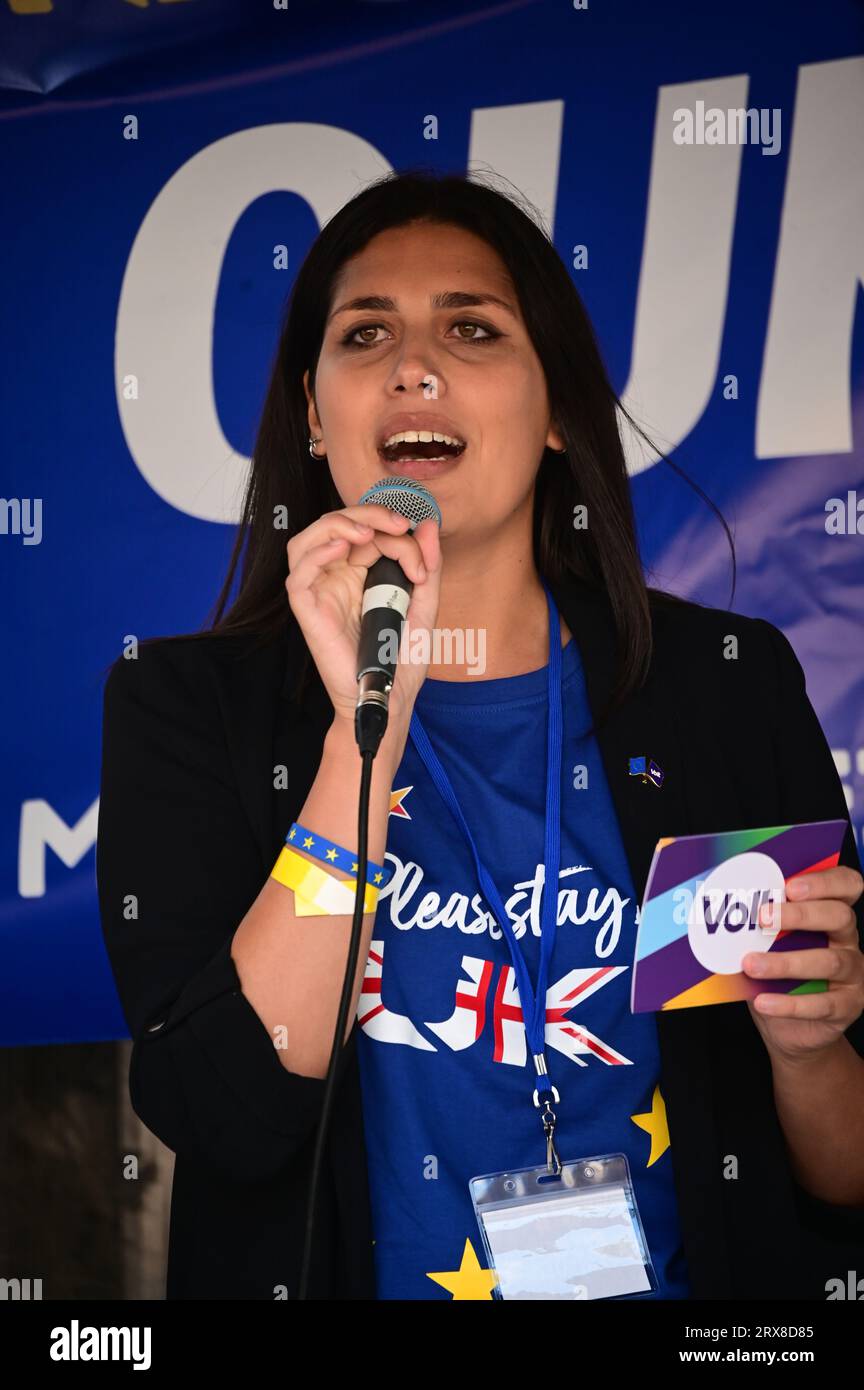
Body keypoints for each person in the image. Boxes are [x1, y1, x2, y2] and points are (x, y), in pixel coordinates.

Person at [97, 168, 864, 1301]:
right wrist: (368, 735)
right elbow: (226, 1111)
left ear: (556, 407)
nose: (415, 365)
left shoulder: (720, 688)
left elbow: (843, 1184)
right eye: (367, 333)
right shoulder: (188, 706)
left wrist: (808, 1056)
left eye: (471, 326)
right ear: (315, 412)